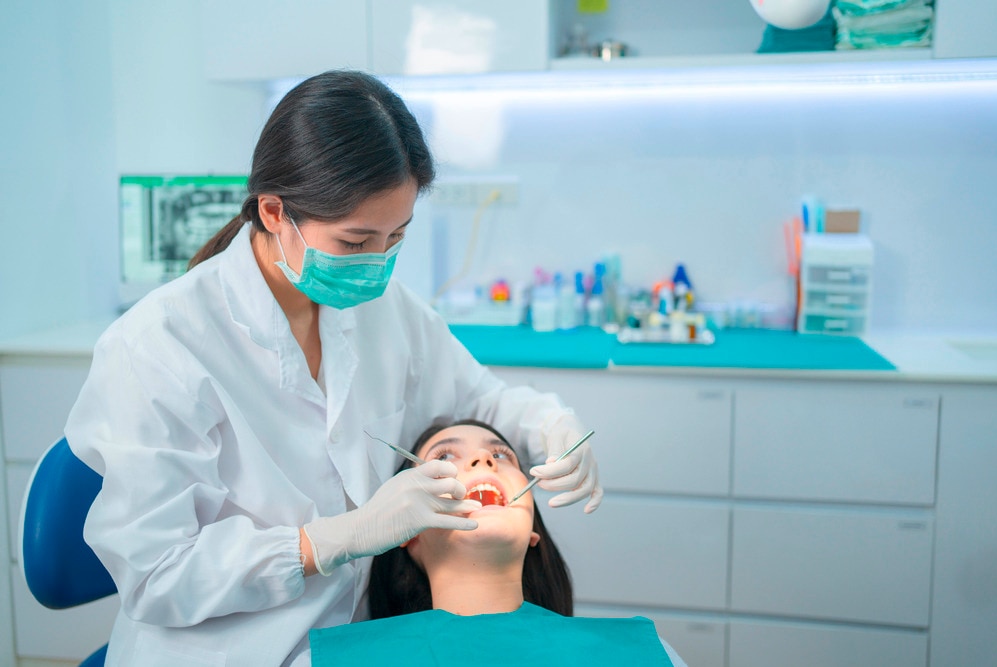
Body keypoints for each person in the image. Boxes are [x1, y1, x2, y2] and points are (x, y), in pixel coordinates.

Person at [64, 70, 602, 667]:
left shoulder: (382, 312)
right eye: (354, 243)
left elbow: (482, 401)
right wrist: (331, 541)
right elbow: (156, 575)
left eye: (395, 237)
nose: (377, 264)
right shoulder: (158, 346)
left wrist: (552, 426)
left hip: (361, 644)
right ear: (274, 212)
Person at [310, 420, 686, 666]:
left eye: (502, 455)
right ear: (407, 532)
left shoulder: (647, 655)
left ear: (533, 528)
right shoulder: (329, 660)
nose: (483, 459)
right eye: (444, 457)